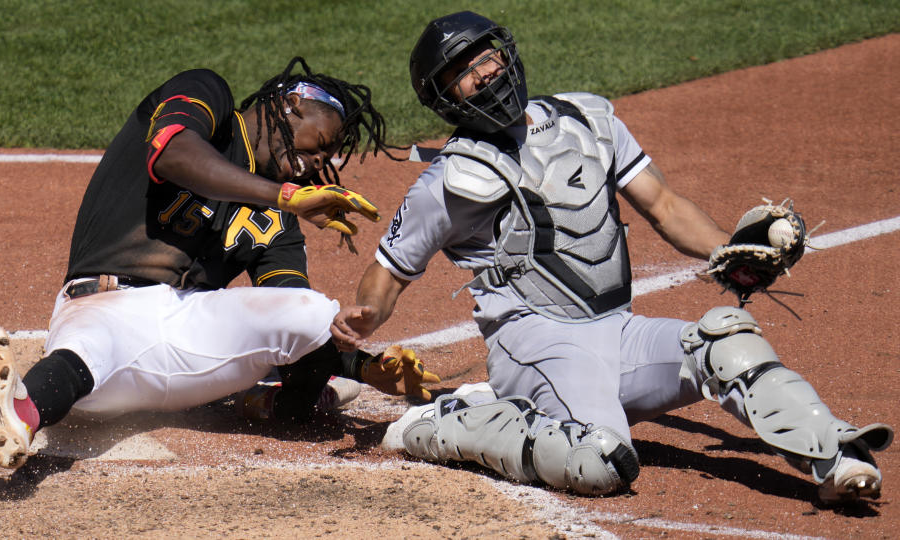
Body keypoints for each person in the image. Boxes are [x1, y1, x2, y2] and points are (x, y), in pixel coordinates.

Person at [331, 11, 893, 504]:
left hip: (616, 333)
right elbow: (388, 270)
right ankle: (451, 423)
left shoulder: (584, 121)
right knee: (603, 461)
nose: (483, 75)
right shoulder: (450, 181)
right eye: (463, 74)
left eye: (486, 59)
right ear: (444, 98)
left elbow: (666, 206)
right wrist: (365, 316)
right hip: (537, 344)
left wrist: (728, 250)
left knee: (726, 341)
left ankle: (835, 457)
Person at [0, 57, 439, 470]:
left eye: (325, 157)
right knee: (84, 353)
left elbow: (291, 333)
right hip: (101, 311)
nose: (316, 163)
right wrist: (286, 196)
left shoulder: (280, 219)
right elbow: (172, 155)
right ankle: (18, 412)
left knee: (310, 310)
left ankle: (272, 404)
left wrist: (362, 365)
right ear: (291, 105)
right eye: (319, 143)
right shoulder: (206, 96)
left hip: (187, 336)